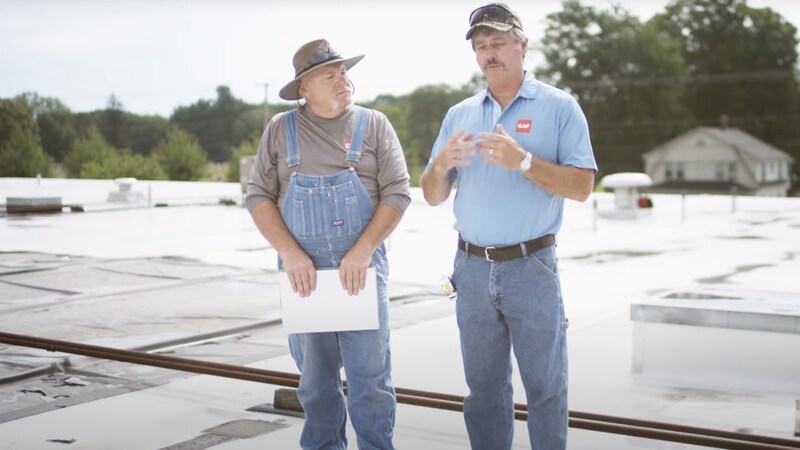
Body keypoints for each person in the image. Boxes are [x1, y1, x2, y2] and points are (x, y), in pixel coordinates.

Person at [420, 4, 597, 449]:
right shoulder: (459, 115)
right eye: (481, 46)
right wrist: (440, 166)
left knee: (546, 389)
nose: (488, 53)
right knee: (483, 393)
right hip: (472, 269)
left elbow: (581, 187)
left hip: (531, 266)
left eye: (498, 43)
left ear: (522, 45)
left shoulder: (560, 107)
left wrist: (523, 161)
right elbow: (432, 194)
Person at [245, 38, 411, 450]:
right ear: (305, 88)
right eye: (329, 75)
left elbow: (398, 193)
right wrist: (290, 252)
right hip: (305, 275)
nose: (343, 80)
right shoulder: (281, 130)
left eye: (344, 72)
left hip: (362, 269)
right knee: (317, 385)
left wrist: (363, 248)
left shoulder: (374, 125)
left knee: (370, 382)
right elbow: (258, 197)